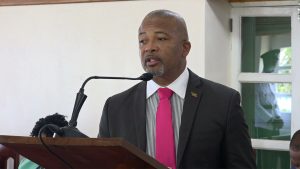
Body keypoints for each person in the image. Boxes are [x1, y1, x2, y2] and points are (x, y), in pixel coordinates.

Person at [98, 9, 256, 169]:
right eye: (142, 41)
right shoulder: (115, 107)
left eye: (160, 38)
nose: (149, 48)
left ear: (185, 48)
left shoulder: (224, 102)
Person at [255, 49, 284, 139]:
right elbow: (256, 105)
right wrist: (270, 119)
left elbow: (275, 102)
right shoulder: (257, 81)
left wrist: (278, 117)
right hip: (263, 123)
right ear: (266, 61)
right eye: (273, 60)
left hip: (275, 122)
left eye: (276, 60)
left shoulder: (273, 80)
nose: (275, 63)